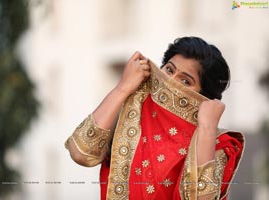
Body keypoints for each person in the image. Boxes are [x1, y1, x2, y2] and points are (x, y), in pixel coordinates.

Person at [65, 37, 244, 200]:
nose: (170, 80)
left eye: (185, 82)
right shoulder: (131, 111)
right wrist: (122, 88)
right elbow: (81, 152)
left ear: (203, 97)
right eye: (169, 70)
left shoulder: (217, 144)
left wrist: (206, 129)